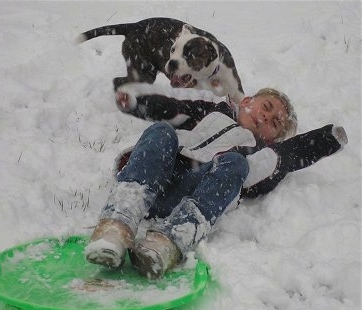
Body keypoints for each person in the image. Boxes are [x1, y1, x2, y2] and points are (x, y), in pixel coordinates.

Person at [84, 86, 347, 279]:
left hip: (191, 193)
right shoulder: (211, 111)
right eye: (266, 107)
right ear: (245, 101)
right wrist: (137, 102)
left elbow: (292, 153)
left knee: (237, 164)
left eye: (276, 123)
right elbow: (173, 108)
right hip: (156, 174)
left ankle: (169, 241)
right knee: (162, 131)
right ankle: (116, 226)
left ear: (272, 140)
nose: (267, 117)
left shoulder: (259, 154)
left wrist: (327, 139)